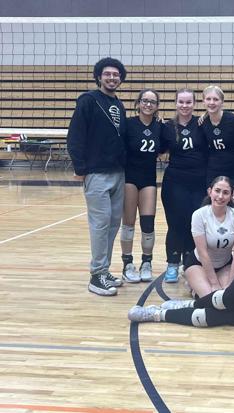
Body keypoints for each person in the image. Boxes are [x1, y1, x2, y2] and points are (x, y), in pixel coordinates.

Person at [67, 57, 127, 296]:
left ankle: (104, 269)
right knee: (100, 224)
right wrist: (80, 168)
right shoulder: (88, 101)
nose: (112, 78)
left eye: (116, 75)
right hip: (96, 173)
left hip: (118, 173)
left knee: (112, 224)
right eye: (107, 74)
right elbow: (75, 136)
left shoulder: (119, 104)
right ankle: (96, 275)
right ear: (99, 77)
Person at [120, 89, 168, 283]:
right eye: (145, 100)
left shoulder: (160, 127)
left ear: (157, 106)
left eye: (152, 102)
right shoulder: (128, 124)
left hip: (148, 179)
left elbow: (164, 149)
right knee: (129, 223)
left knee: (148, 223)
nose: (148, 104)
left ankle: (146, 263)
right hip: (129, 178)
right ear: (138, 103)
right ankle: (127, 264)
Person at [161, 88, 208, 283]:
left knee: (194, 223)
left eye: (189, 102)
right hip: (175, 182)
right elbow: (159, 150)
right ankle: (172, 263)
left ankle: (190, 264)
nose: (185, 105)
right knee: (176, 223)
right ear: (176, 103)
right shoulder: (167, 127)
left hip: (199, 182)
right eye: (181, 101)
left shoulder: (202, 124)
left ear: (194, 104)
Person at [184, 176, 234, 297]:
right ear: (210, 191)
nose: (220, 196)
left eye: (226, 193)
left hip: (225, 265)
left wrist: (231, 283)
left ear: (232, 195)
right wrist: (214, 283)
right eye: (217, 191)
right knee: (211, 298)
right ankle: (195, 283)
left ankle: (196, 288)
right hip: (199, 264)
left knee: (227, 297)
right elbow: (202, 252)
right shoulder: (199, 215)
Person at [200, 85, 234, 208]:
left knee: (233, 210)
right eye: (208, 99)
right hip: (213, 172)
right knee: (214, 210)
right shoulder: (202, 123)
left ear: (222, 102)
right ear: (203, 101)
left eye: (216, 99)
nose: (212, 102)